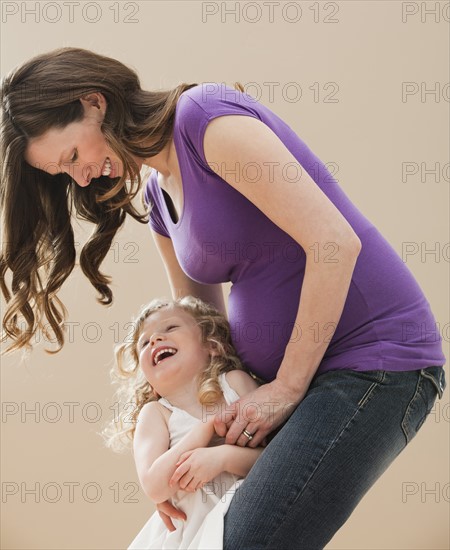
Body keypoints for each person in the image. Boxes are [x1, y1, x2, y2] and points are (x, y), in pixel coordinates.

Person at [1, 47, 446, 548]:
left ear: (93, 102)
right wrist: (171, 454)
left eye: (71, 157)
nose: (80, 177)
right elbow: (203, 330)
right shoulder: (157, 197)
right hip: (295, 382)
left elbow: (334, 244)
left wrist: (286, 388)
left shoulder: (204, 120)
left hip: (375, 359)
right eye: (65, 174)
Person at [103, 295, 266, 549]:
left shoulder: (235, 383)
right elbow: (155, 487)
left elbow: (274, 458)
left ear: (211, 345)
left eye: (170, 328)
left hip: (249, 518)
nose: (155, 339)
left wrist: (222, 458)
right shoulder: (156, 414)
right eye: (145, 342)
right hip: (187, 536)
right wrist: (205, 429)